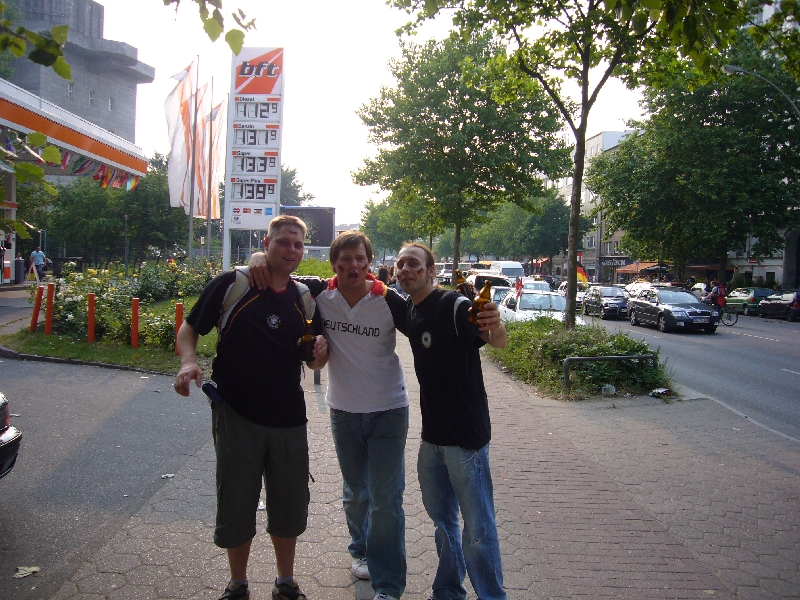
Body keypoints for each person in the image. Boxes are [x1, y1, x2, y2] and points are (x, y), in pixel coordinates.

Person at [174, 215, 328, 600]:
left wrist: (320, 354)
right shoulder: (233, 284)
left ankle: (285, 581)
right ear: (266, 243)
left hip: (289, 418)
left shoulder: (305, 296)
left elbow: (315, 362)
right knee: (236, 502)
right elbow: (189, 328)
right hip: (236, 415)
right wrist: (188, 362)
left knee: (289, 504)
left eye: (298, 244)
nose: (291, 249)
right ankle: (238, 584)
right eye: (283, 242)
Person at [249, 231, 410, 600]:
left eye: (360, 259)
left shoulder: (388, 300)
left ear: (369, 263)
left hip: (388, 410)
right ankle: (360, 550)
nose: (353, 265)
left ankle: (388, 585)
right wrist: (258, 259)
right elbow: (281, 275)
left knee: (386, 498)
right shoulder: (319, 294)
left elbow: (424, 322)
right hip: (344, 410)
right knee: (356, 493)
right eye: (345, 259)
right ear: (334, 264)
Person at [395, 242, 508, 600]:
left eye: (414, 263)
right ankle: (447, 590)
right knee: (443, 524)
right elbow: (360, 281)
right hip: (432, 439)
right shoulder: (410, 309)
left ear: (431, 272)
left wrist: (496, 325)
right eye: (400, 264)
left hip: (466, 440)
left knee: (478, 530)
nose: (405, 269)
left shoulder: (454, 305)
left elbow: (495, 339)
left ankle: (492, 595)